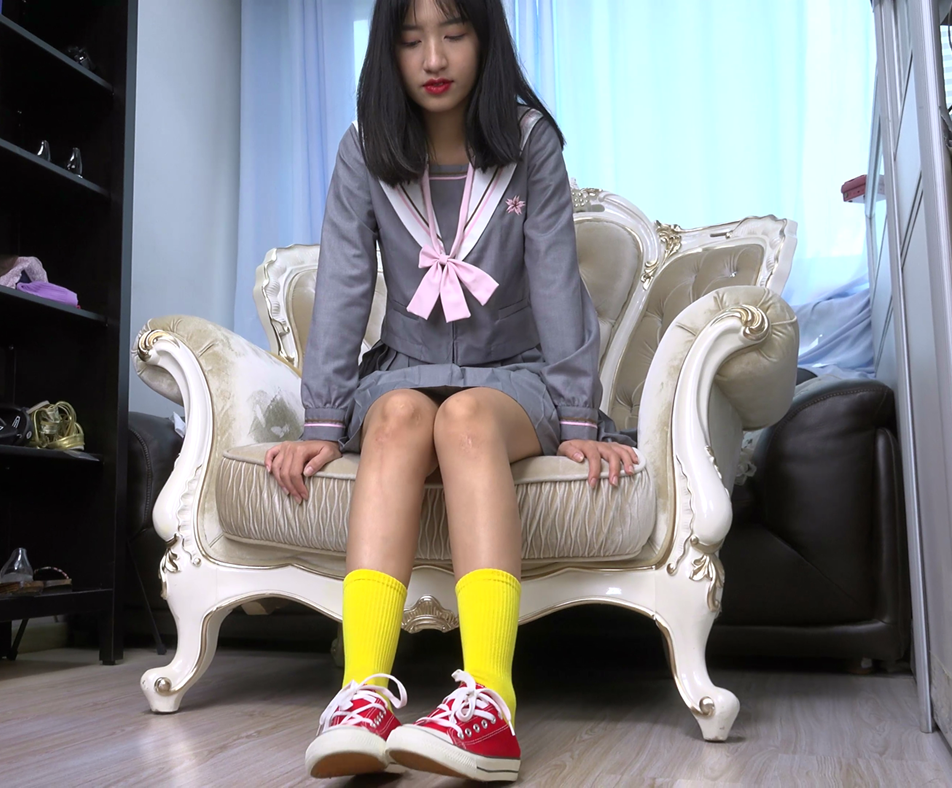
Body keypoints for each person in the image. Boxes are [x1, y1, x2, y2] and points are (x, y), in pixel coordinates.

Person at [265, 0, 637, 780]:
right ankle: (363, 694)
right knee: (398, 418)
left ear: (485, 39)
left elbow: (557, 281)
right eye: (411, 40)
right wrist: (321, 422)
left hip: (515, 374)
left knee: (464, 419)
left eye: (454, 34)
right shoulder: (364, 149)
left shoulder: (530, 141)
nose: (433, 58)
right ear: (388, 52)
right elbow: (343, 285)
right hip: (403, 365)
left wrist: (578, 417)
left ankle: (490, 705)